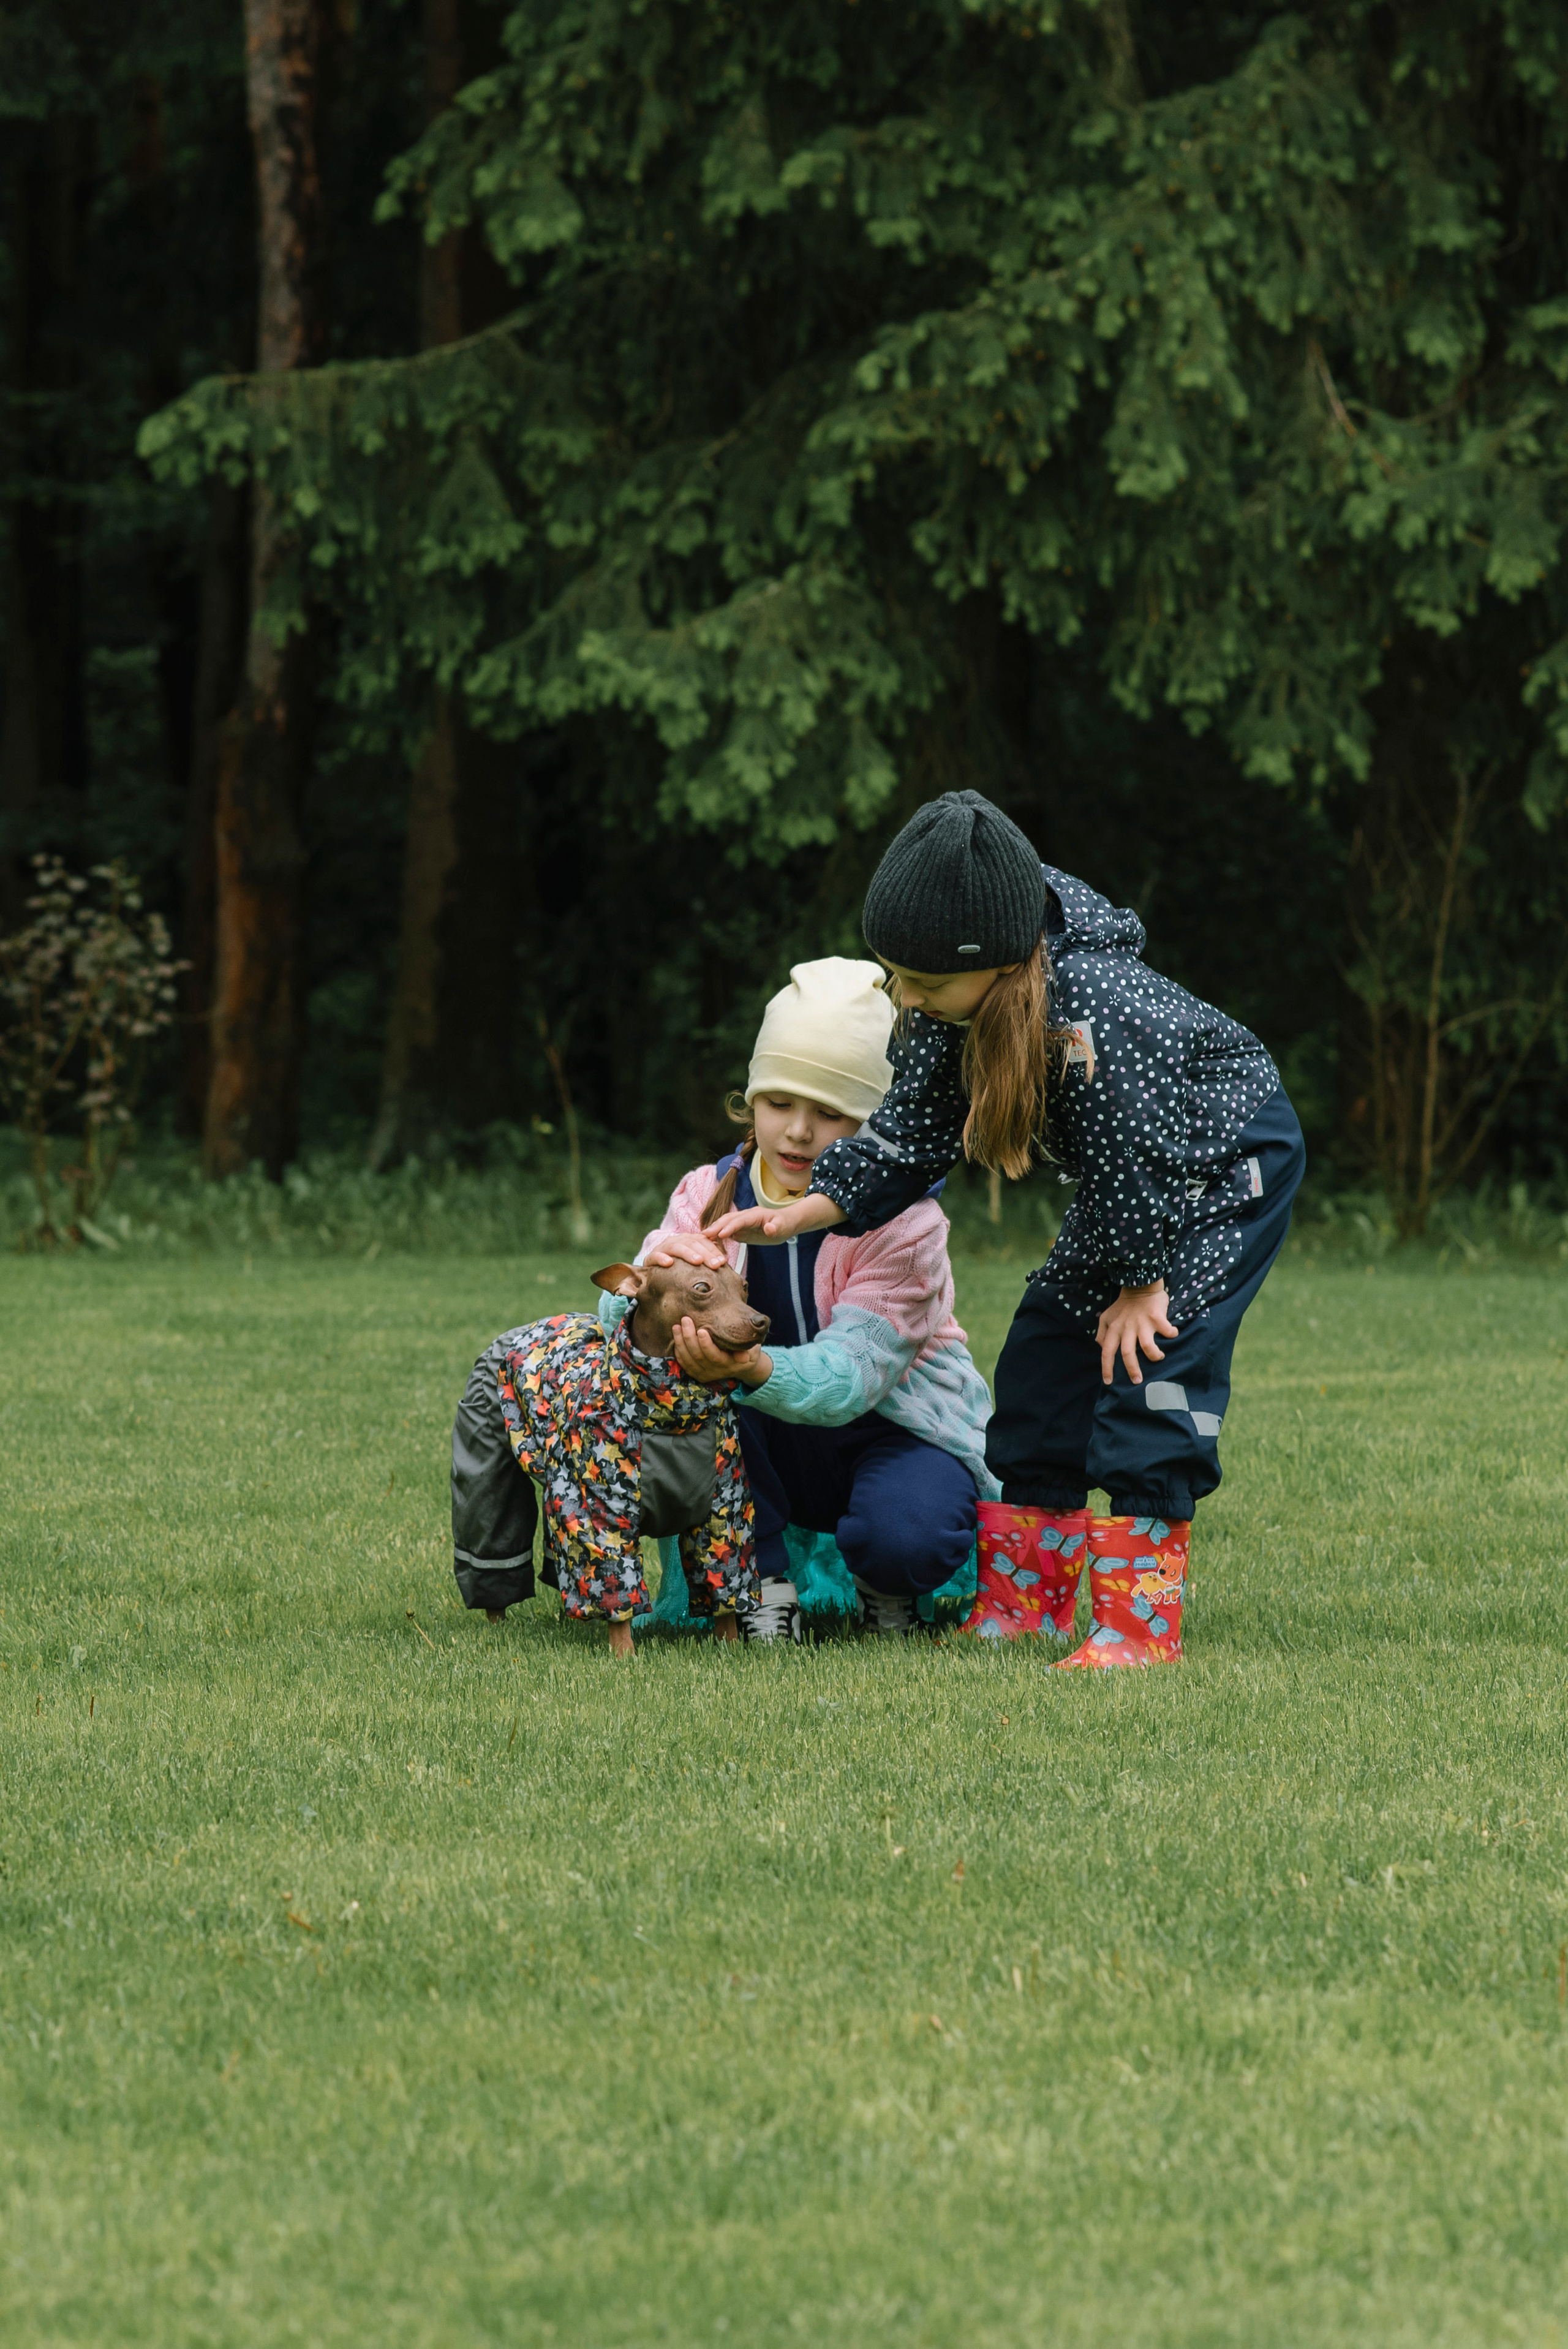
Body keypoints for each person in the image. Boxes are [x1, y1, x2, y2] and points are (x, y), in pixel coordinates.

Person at [706, 791, 1305, 1668]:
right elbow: (911, 1127)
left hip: (1221, 1173)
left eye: (924, 981)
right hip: (1127, 1188)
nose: (905, 996)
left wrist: (1141, 1285)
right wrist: (814, 1205)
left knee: (1151, 1366)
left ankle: (1138, 1629)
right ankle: (1028, 1602)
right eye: (895, 973)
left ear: (991, 960)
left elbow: (1139, 1150)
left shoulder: (1096, 1003)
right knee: (1041, 1354)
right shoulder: (958, 1004)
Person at [624, 957, 997, 1642]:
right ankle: (760, 1588)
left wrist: (748, 1369)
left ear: (884, 1124)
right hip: (758, 1437)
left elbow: (853, 1375)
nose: (797, 1131)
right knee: (698, 1423)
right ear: (750, 1102)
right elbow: (628, 1316)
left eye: (831, 1113)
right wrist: (657, 1288)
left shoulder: (906, 1222)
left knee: (905, 1529)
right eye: (778, 1102)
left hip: (890, 1426)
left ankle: (890, 1585)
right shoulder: (704, 1194)